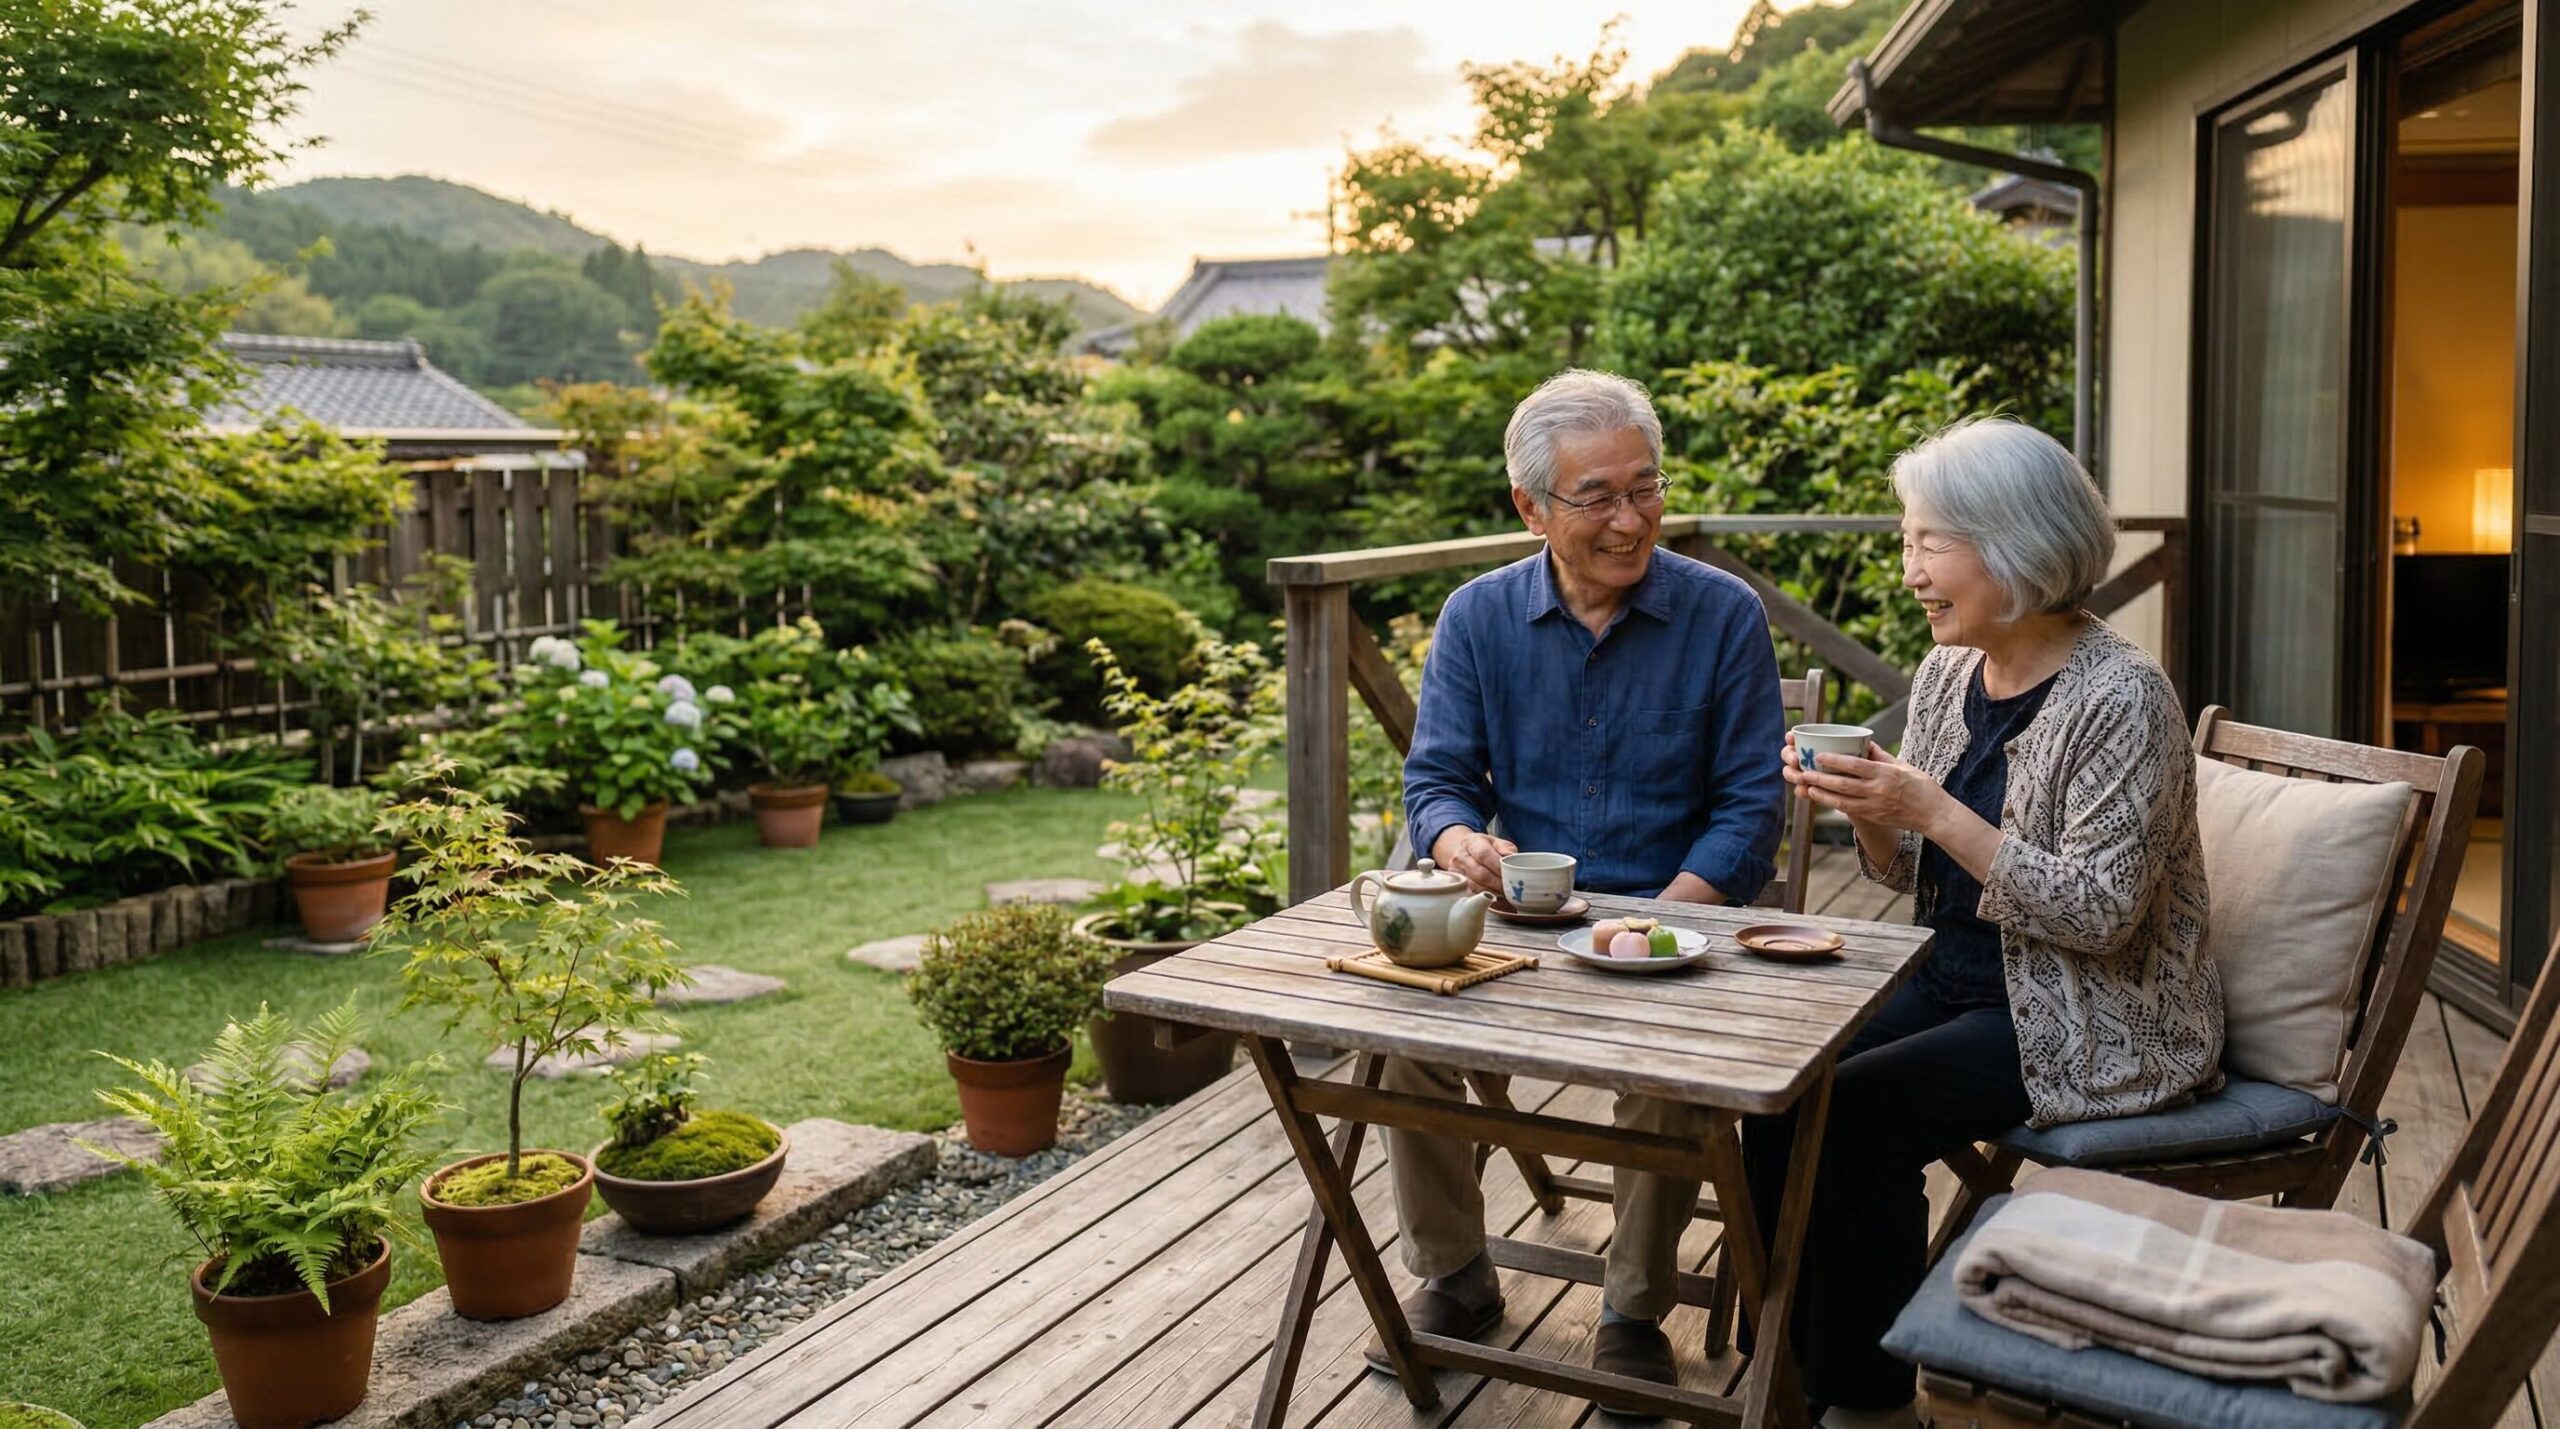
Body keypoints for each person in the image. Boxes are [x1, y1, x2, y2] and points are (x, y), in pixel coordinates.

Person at [1756, 417, 2222, 1429]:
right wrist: (1868, 817)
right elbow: (1910, 879)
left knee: (1854, 1118)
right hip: (1949, 981)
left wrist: (1930, 808)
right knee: (1766, 1091)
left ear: (2014, 544)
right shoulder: (1943, 673)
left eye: (1931, 541)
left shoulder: (2123, 696)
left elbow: (2100, 916)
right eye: (1907, 538)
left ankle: (1872, 1406)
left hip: (2087, 1014)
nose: (1910, 567)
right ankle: (1794, 1367)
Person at [1386, 368, 1787, 1400]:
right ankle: (1458, 1274)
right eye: (1594, 497)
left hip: (1674, 923)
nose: (1628, 518)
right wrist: (1456, 840)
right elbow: (1435, 780)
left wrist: (1662, 926)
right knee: (1399, 1050)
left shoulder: (1721, 615)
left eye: (1643, 488)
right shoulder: (1477, 618)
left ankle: (1631, 1306)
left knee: (1659, 1068)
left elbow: (1749, 807)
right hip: (1524, 919)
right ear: (1530, 508)